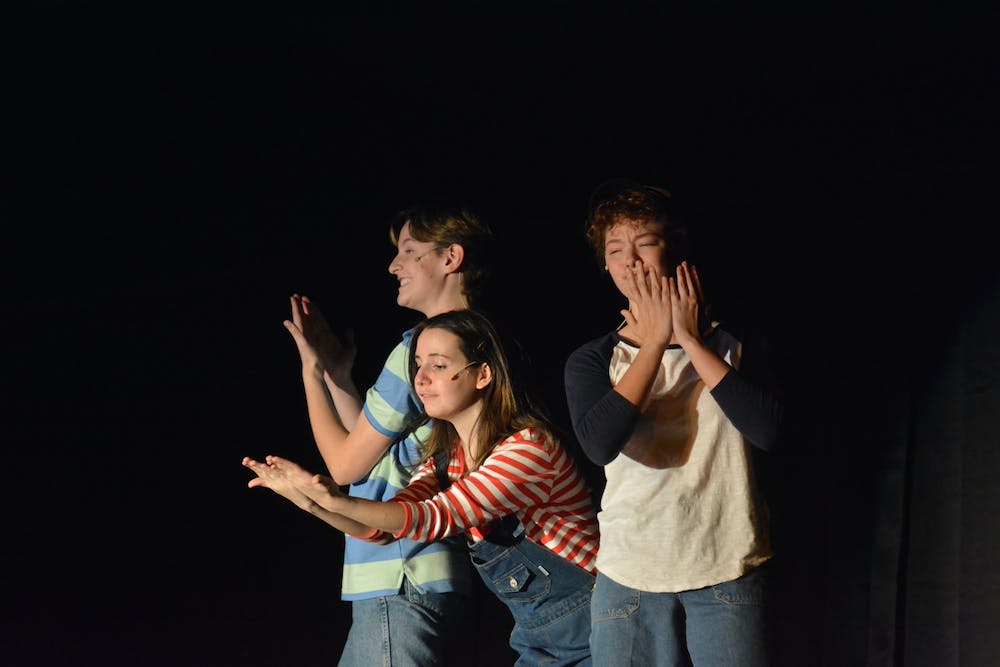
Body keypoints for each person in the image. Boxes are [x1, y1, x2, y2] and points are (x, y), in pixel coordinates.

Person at [245, 309, 600, 666]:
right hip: (540, 641)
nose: (420, 379)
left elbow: (433, 516)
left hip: (599, 625)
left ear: (483, 374)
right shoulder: (448, 461)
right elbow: (383, 528)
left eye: (439, 366)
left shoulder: (528, 448)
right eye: (417, 365)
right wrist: (313, 505)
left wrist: (335, 499)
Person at [562, 178, 784, 667]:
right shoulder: (593, 359)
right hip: (630, 577)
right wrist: (657, 340)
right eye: (616, 249)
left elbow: (769, 432)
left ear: (677, 251)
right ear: (605, 264)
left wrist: (691, 339)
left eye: (645, 244)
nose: (631, 261)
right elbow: (600, 444)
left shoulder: (736, 345)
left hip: (726, 568)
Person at [275, 205, 494, 666]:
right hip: (433, 571)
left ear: (451, 258)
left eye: (409, 252)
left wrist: (312, 372)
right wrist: (338, 376)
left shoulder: (421, 348)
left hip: (400, 570)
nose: (395, 266)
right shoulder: (478, 340)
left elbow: (345, 465)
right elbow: (380, 449)